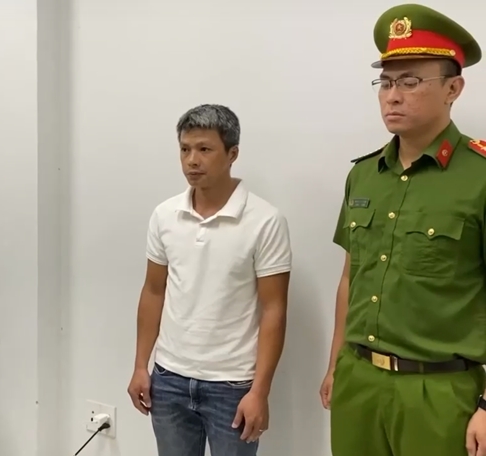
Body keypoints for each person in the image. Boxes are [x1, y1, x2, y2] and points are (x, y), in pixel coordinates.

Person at [321, 4, 486, 456]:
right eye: (386, 82)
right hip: (358, 381)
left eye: (410, 82)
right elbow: (350, 277)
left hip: (439, 392)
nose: (392, 96)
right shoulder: (364, 175)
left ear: (453, 88)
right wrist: (337, 364)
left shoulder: (479, 177)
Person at [126, 104, 292, 456]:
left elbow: (274, 309)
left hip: (232, 384)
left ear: (232, 154)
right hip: (168, 378)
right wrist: (141, 366)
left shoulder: (265, 221)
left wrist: (259, 391)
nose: (192, 161)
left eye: (204, 149)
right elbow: (153, 291)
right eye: (185, 149)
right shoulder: (165, 215)